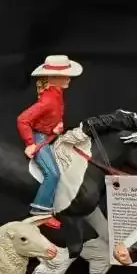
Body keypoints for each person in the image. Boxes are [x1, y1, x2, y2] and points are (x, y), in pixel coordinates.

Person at [17, 54, 83, 217]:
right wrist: (30, 143)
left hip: (49, 135)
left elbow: (53, 115)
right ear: (53, 78)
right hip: (39, 137)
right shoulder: (48, 100)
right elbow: (23, 119)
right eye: (65, 76)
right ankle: (40, 208)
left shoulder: (57, 93)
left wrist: (55, 127)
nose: (68, 79)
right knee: (53, 174)